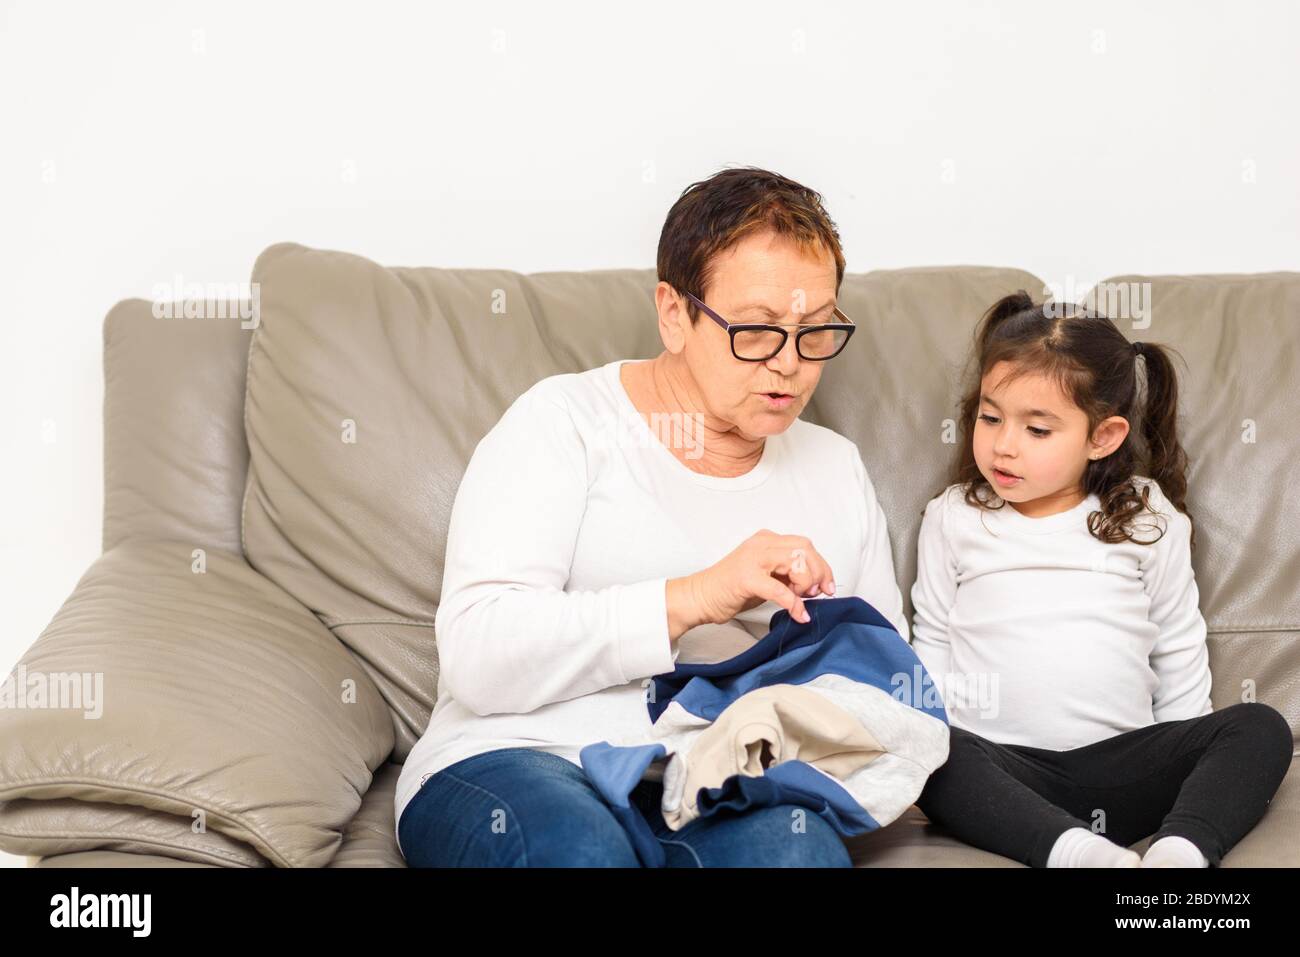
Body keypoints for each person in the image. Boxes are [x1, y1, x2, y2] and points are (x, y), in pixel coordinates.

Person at [394, 166, 910, 866]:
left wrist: (803, 670)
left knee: (800, 857)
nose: (790, 365)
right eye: (756, 331)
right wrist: (694, 597)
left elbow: (891, 695)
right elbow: (478, 654)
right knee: (578, 853)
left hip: (718, 781)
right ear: (674, 313)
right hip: (521, 755)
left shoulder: (834, 467)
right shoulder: (563, 423)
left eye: (814, 331)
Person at [910, 291, 1294, 868]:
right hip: (1005, 775)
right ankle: (1082, 856)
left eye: (1037, 430)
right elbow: (933, 638)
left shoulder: (1145, 516)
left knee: (1261, 726)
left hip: (1126, 767)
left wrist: (1179, 757)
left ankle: (1180, 854)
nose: (1003, 445)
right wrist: (935, 733)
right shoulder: (955, 515)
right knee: (928, 754)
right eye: (990, 418)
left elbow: (1177, 641)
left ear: (1103, 437)